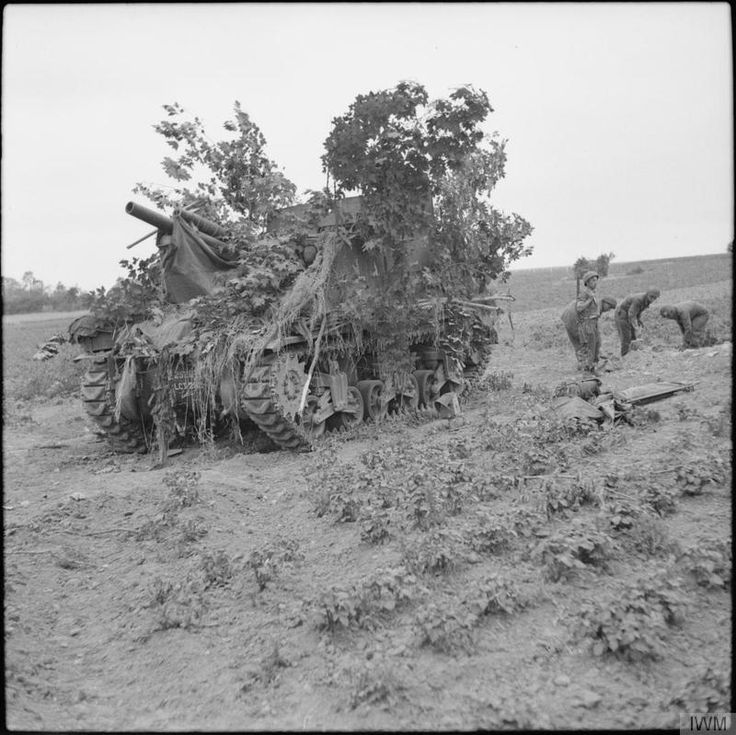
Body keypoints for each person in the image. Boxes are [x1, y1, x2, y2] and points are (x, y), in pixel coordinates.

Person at [561, 294, 616, 370]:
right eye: (609, 307)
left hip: (566, 316)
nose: (608, 310)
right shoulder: (596, 308)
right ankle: (586, 365)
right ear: (605, 303)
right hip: (574, 318)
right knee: (586, 342)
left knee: (578, 343)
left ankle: (582, 363)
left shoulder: (594, 302)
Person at [614, 288, 661, 356]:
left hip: (629, 314)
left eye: (655, 298)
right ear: (647, 294)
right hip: (622, 314)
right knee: (626, 337)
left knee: (634, 336)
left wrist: (639, 320)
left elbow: (637, 311)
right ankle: (624, 355)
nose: (652, 299)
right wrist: (636, 328)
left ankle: (633, 354)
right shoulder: (639, 300)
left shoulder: (646, 301)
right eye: (651, 297)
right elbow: (631, 314)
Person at [575, 270, 601, 374]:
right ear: (588, 282)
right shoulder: (585, 293)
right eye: (593, 280)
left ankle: (593, 366)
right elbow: (579, 308)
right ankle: (589, 369)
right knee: (590, 346)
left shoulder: (592, 293)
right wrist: (589, 300)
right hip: (587, 323)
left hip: (594, 322)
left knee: (596, 344)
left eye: (596, 280)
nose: (595, 282)